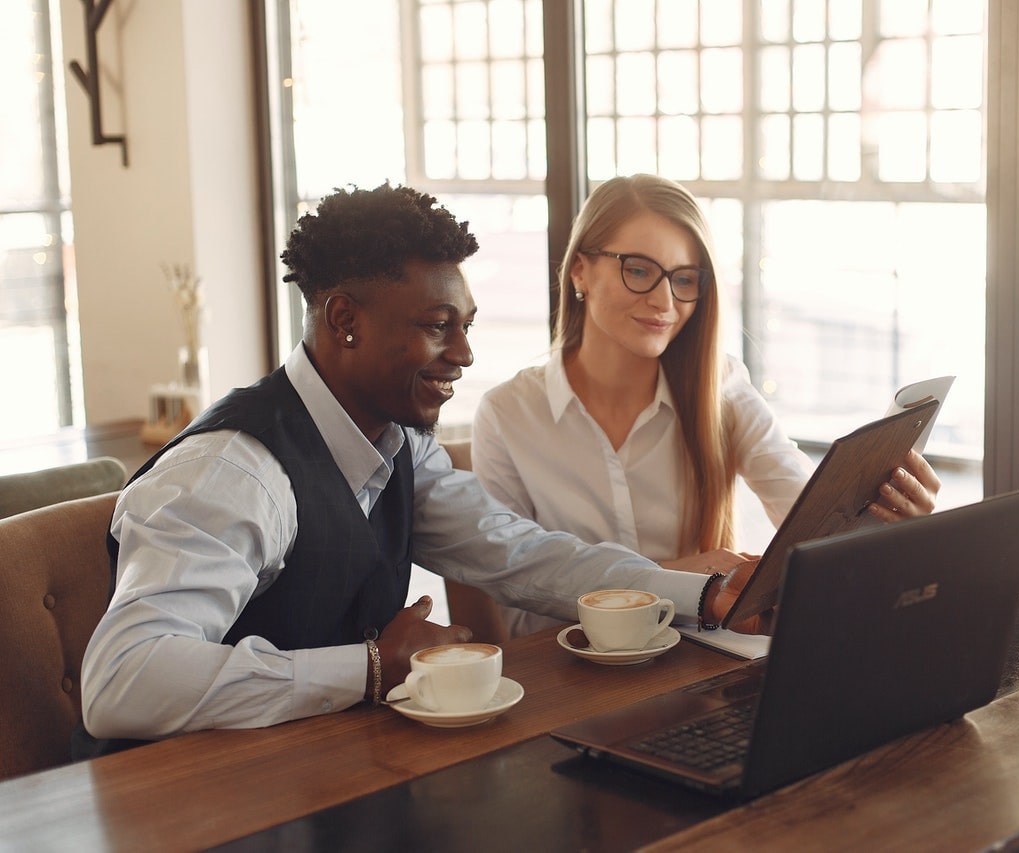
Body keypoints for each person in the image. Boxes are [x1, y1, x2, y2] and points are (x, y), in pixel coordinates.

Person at [77, 183, 766, 749]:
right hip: (191, 805)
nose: (464, 353)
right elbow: (121, 682)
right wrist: (371, 668)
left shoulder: (399, 445)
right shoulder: (235, 472)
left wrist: (704, 597)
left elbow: (525, 556)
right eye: (440, 325)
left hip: (327, 772)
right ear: (345, 319)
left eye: (466, 324)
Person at [471, 174, 940, 638]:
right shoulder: (507, 415)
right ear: (580, 271)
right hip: (572, 677)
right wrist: (677, 580)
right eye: (638, 269)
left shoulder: (722, 387)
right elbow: (520, 606)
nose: (663, 300)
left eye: (685, 279)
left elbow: (811, 519)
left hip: (700, 665)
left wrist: (891, 525)